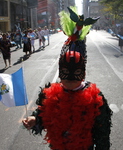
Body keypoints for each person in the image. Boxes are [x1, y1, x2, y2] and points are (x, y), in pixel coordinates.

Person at [22, 6, 112, 150]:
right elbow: (44, 116)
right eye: (65, 71)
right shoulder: (49, 95)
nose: (70, 77)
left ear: (83, 72)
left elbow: (102, 136)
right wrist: (35, 119)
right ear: (59, 70)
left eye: (75, 71)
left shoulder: (96, 99)